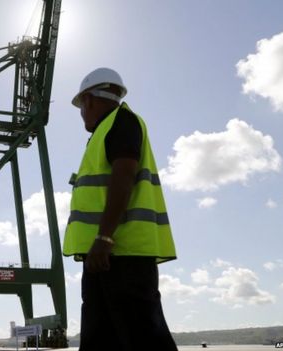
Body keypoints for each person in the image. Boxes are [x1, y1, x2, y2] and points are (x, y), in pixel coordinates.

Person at [63, 67, 178, 350]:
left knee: (144, 337)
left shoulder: (121, 121)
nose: (81, 114)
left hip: (122, 253)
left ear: (89, 99)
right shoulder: (106, 130)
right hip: (104, 256)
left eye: (81, 107)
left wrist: (104, 238)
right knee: (99, 339)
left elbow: (124, 176)